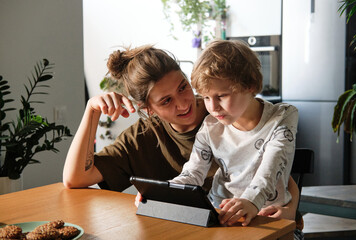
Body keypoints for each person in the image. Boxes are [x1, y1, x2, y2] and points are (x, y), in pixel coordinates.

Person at [62, 44, 300, 228]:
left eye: (183, 87)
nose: (185, 103)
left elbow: (275, 167)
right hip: (210, 224)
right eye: (166, 101)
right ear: (148, 109)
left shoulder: (227, 109)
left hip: (261, 217)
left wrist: (291, 205)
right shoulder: (147, 136)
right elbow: (74, 179)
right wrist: (91, 111)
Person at [170, 39, 299, 229]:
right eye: (206, 97)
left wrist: (250, 201)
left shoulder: (283, 116)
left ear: (250, 85)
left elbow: (270, 170)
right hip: (221, 216)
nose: (212, 107)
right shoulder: (210, 125)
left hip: (266, 216)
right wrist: (165, 191)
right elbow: (193, 172)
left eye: (221, 96)